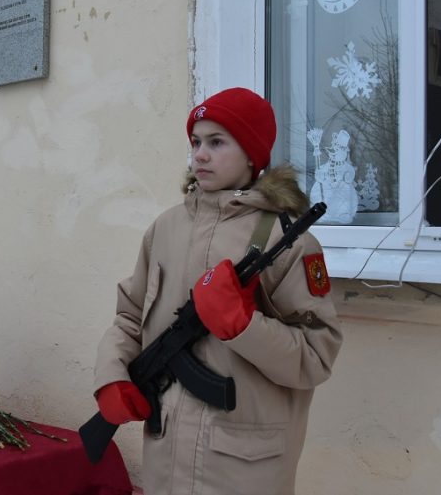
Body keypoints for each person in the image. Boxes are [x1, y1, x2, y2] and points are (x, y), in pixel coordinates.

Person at [92, 88, 343, 495]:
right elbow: (129, 317)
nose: (200, 155)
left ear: (251, 154)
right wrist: (112, 375)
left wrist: (244, 326)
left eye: (216, 142)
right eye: (195, 142)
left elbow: (317, 356)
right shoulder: (165, 229)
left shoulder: (289, 242)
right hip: (166, 461)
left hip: (242, 468)